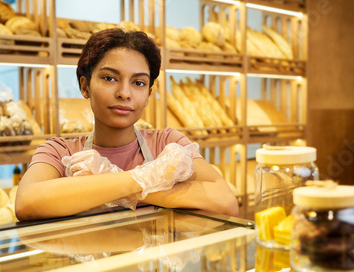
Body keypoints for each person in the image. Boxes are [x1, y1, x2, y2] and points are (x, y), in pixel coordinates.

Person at [15, 28, 239, 221]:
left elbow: (225, 202)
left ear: (149, 95)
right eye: (109, 78)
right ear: (85, 86)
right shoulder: (60, 151)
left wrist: (110, 180)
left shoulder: (167, 143)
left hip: (154, 271)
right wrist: (147, 179)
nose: (124, 93)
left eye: (138, 83)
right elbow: (27, 203)